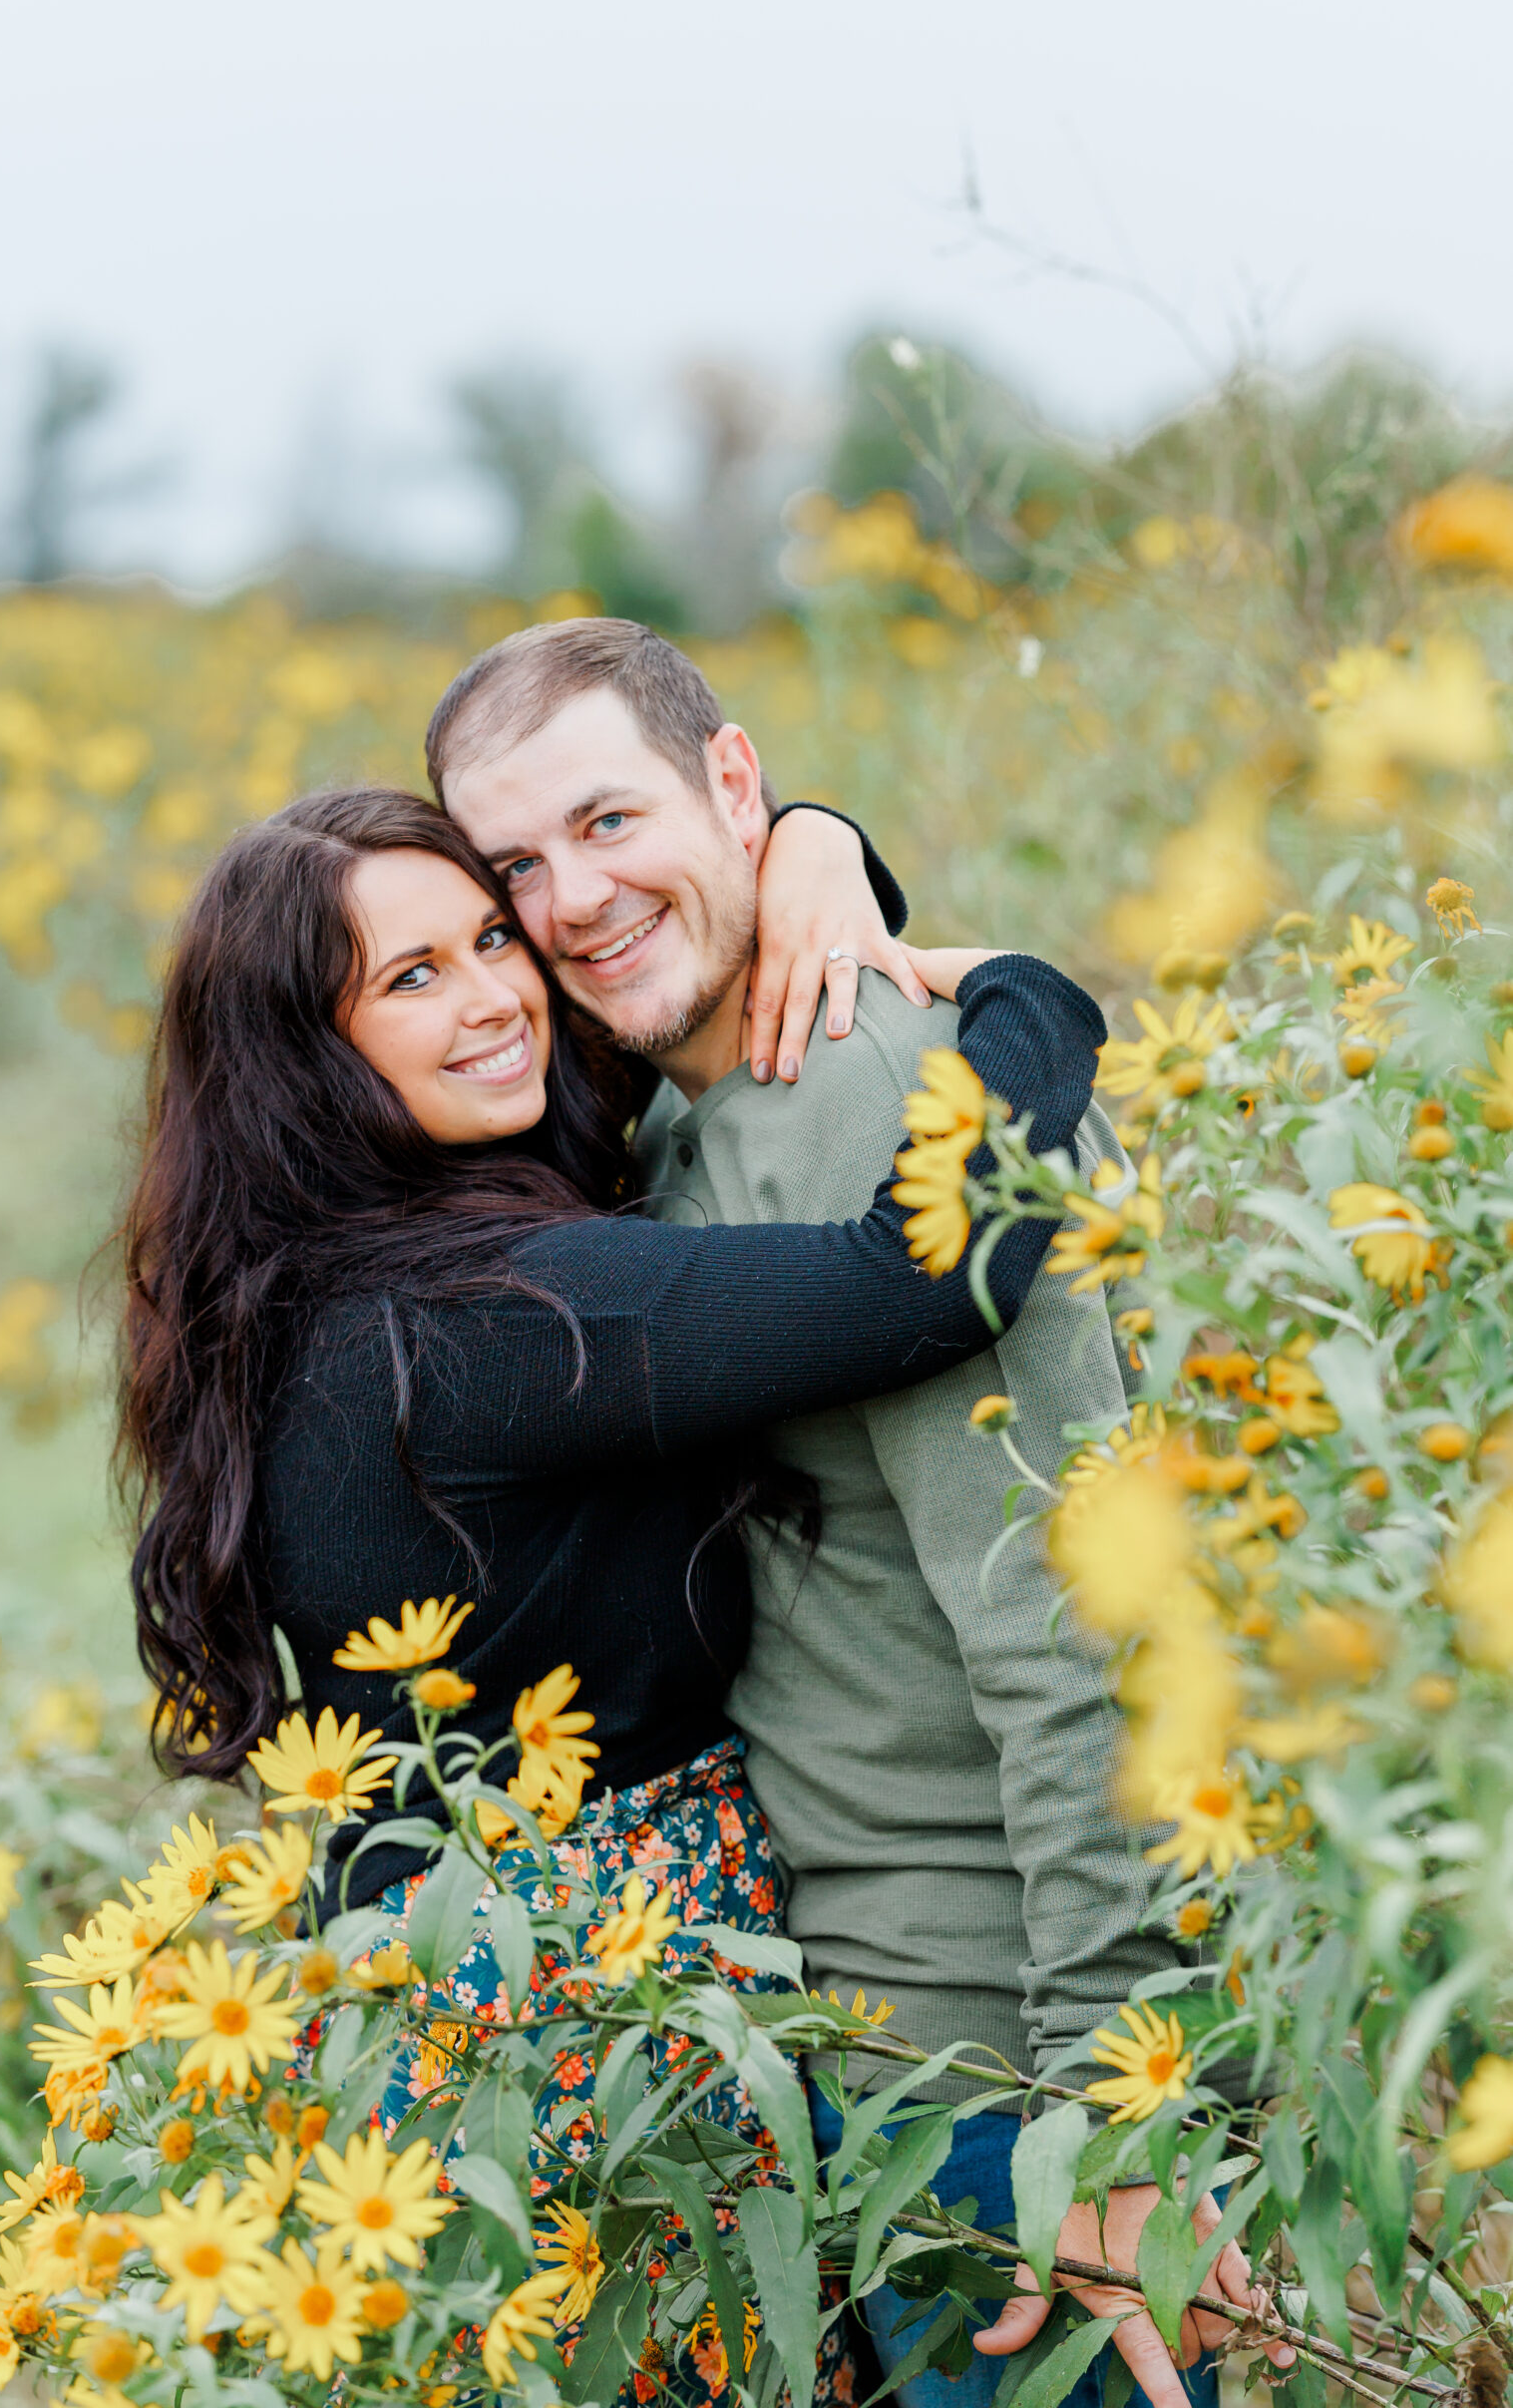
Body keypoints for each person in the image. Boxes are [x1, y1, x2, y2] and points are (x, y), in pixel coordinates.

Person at [116, 783, 1104, 2398]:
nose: (499, 994)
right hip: (606, 2032)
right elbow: (925, 1277)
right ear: (310, 1051)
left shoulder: (303, 1274)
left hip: (448, 2022)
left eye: (492, 936)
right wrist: (1028, 997)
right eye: (410, 978)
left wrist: (812, 841)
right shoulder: (495, 1317)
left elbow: (676, 973)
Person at [426, 619, 1288, 2408]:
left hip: (1020, 2085)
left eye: (610, 819)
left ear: (728, 783)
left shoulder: (876, 1088)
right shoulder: (663, 1132)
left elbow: (1083, 1611)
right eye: (519, 866)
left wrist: (1117, 2117)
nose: (572, 900)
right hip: (872, 2066)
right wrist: (825, 839)